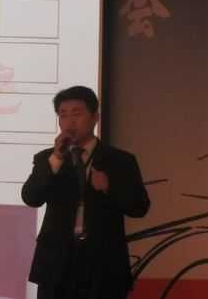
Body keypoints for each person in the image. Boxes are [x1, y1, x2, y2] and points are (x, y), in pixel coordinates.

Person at [21, 86, 150, 299]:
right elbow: (31, 197)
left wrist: (110, 187)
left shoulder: (120, 160)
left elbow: (140, 207)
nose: (69, 121)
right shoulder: (48, 159)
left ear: (95, 117)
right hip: (56, 264)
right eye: (63, 115)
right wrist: (56, 159)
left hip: (103, 265)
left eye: (77, 113)